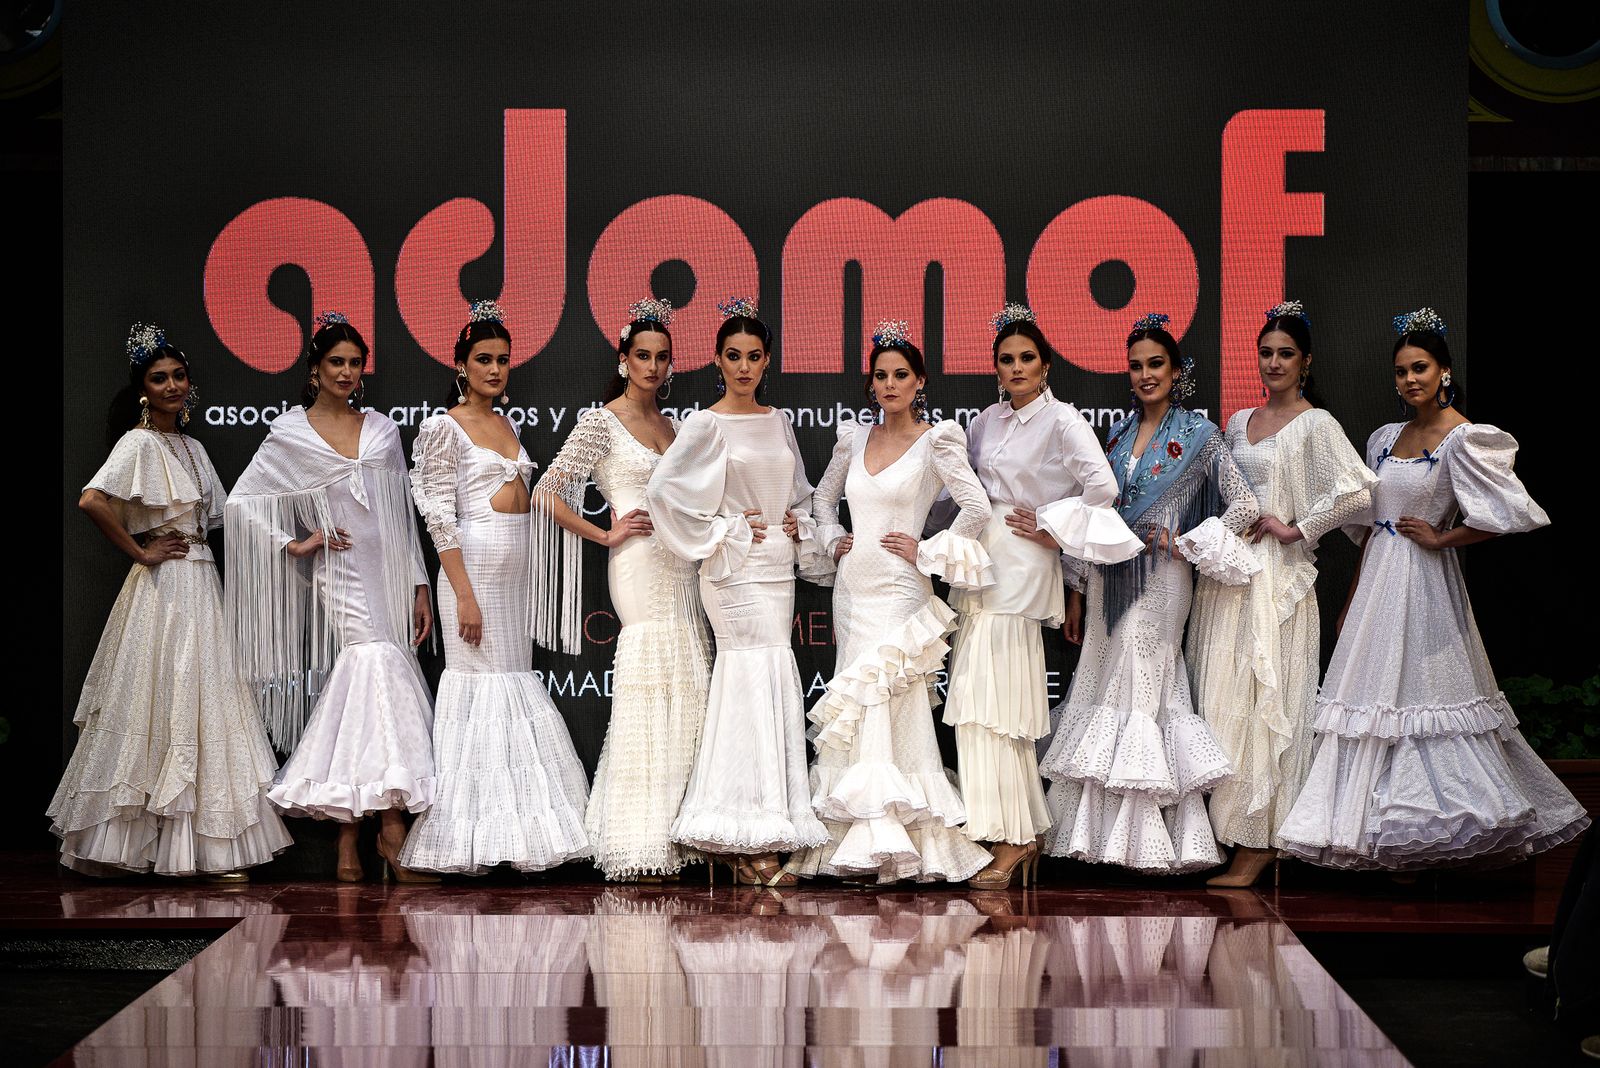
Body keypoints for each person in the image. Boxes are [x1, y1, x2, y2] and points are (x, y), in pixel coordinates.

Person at [1276, 308, 1588, 870]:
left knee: (1425, 697)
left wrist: (1444, 540)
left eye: (1420, 368)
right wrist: (1349, 602)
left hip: (1425, 583)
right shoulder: (1383, 437)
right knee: (1371, 703)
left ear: (1444, 371)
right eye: (1400, 371)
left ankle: (1434, 837)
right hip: (1377, 584)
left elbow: (1507, 514)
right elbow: (1369, 529)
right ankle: (1375, 837)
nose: (1409, 379)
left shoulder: (1465, 438)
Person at [51, 323, 291, 877]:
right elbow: (91, 500)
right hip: (164, 589)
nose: (172, 386)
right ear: (143, 389)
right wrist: (139, 551)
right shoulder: (138, 443)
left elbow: (227, 517)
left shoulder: (194, 446)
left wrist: (291, 540)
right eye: (159, 379)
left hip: (203, 583)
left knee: (205, 702)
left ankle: (210, 848)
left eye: (178, 376)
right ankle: (136, 846)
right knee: (160, 701)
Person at [1042, 311, 1257, 874]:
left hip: (1162, 581)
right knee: (1102, 681)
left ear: (1176, 370)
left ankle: (1148, 840)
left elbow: (1245, 507)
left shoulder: (1200, 437)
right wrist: (1076, 592)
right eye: (1135, 365)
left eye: (1155, 363)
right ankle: (1099, 837)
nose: (1144, 374)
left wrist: (1186, 541)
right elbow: (1096, 515)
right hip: (1110, 579)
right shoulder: (1113, 434)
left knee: (1143, 689)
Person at [225, 312, 437, 882]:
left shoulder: (384, 431)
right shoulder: (291, 435)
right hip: (341, 570)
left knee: (372, 692)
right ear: (315, 369)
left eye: (353, 363)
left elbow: (402, 519)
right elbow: (242, 502)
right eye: (335, 362)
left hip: (389, 571)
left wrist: (419, 583)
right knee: (372, 671)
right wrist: (298, 542)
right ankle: (391, 833)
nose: (345, 372)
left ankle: (350, 842)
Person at [940, 303, 1143, 889]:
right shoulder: (984, 422)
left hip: (1025, 561)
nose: (1017, 367)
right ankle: (994, 826)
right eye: (1007, 360)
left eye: (1027, 357)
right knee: (975, 699)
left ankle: (1019, 835)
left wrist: (1053, 527)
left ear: (1046, 364)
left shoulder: (1064, 422)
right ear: (996, 368)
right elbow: (965, 492)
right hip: (981, 556)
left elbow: (1102, 488)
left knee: (1002, 701)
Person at [787, 320, 995, 884]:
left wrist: (928, 549)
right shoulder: (853, 439)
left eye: (901, 374)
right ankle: (851, 842)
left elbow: (975, 508)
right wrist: (832, 540)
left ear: (919, 380)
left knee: (891, 703)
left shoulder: (938, 440)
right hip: (854, 589)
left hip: (904, 591)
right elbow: (822, 500)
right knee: (858, 704)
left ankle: (903, 845)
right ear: (870, 385)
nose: (890, 384)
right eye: (880, 376)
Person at [1186, 301, 1376, 887]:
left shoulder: (1317, 424)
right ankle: (1224, 831)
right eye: (1266, 352)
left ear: (1306, 361)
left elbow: (1357, 493)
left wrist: (1299, 526)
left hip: (1278, 581)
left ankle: (1262, 841)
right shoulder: (1238, 418)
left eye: (1285, 354)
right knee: (1222, 700)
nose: (1273, 363)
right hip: (1229, 578)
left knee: (1268, 707)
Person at [400, 300, 590, 874]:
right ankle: (471, 840)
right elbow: (437, 515)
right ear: (460, 364)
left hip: (513, 583)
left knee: (511, 685)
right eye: (483, 359)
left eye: (503, 360)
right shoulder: (442, 428)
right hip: (473, 575)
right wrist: (461, 593)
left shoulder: (507, 424)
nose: (494, 369)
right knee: (478, 693)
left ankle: (517, 837)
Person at [645, 297, 829, 886]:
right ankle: (739, 833)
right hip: (733, 575)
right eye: (733, 356)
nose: (744, 367)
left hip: (777, 572)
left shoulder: (778, 422)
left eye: (754, 356)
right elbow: (663, 494)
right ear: (717, 361)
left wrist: (799, 520)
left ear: (767, 359)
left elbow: (798, 491)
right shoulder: (704, 423)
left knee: (771, 681)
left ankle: (763, 828)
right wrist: (724, 528)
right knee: (747, 682)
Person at [531, 297, 711, 881]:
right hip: (635, 565)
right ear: (624, 358)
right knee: (649, 677)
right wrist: (603, 532)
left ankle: (685, 830)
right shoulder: (600, 422)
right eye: (643, 356)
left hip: (682, 567)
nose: (653, 367)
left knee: (687, 674)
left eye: (662, 358)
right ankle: (639, 834)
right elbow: (546, 492)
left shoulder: (676, 426)